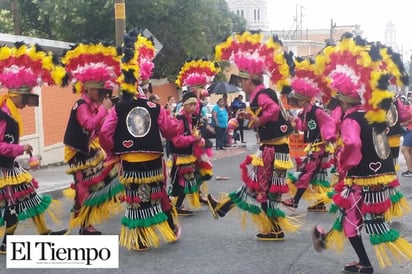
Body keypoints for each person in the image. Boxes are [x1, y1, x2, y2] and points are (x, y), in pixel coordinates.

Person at [312, 33, 412, 273]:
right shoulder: (370, 114)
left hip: (360, 178)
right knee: (353, 217)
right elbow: (397, 125)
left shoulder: (350, 119)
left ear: (343, 100)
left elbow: (352, 144)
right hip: (380, 177)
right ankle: (358, 259)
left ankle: (365, 263)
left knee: (365, 224)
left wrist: (343, 161)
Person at [207, 31, 300, 240]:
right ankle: (222, 207)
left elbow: (273, 112)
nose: (241, 86)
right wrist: (248, 114)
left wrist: (257, 120)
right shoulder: (263, 94)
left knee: (265, 189)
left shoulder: (262, 94)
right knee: (256, 185)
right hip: (274, 148)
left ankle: (274, 229)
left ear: (249, 81)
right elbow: (269, 111)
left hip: (274, 149)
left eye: (242, 82)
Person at [99, 29, 182, 251]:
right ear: (142, 85)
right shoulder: (154, 107)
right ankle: (169, 226)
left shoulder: (118, 108)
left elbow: (105, 134)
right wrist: (178, 123)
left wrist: (115, 152)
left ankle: (140, 239)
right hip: (153, 160)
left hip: (130, 160)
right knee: (156, 193)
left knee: (136, 198)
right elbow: (170, 130)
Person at [0, 43, 68, 254]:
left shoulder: (11, 111)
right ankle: (5, 243)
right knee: (11, 206)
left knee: (29, 197)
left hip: (10, 167)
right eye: (25, 99)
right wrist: (20, 148)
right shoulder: (3, 113)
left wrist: (20, 150)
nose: (26, 104)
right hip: (2, 170)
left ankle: (44, 232)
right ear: (15, 94)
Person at [61, 42, 124, 235]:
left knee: (105, 175)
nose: (102, 94)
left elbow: (99, 126)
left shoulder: (93, 105)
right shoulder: (81, 105)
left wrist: (109, 112)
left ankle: (83, 219)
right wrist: (104, 109)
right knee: (86, 185)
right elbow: (88, 125)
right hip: (78, 153)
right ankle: (84, 224)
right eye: (99, 91)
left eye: (104, 91)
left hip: (91, 149)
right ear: (88, 88)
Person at [281, 57, 336, 212]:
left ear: (304, 100)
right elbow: (304, 127)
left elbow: (329, 123)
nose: (295, 103)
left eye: (297, 100)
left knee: (306, 172)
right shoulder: (304, 113)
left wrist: (327, 137)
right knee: (314, 175)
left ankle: (295, 201)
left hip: (319, 148)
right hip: (312, 147)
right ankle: (321, 202)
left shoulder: (316, 111)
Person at [168, 92, 204, 215]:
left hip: (187, 155)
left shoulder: (189, 117)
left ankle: (176, 205)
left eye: (195, 105)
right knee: (183, 182)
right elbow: (176, 140)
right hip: (181, 156)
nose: (194, 107)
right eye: (192, 105)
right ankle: (176, 206)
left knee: (184, 181)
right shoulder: (179, 119)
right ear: (185, 105)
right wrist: (194, 139)